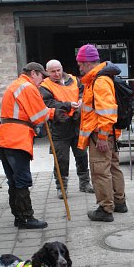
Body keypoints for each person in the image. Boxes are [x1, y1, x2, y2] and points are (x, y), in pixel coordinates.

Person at [0, 62, 65, 229]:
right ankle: (26, 218)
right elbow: (39, 116)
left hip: (5, 137)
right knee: (22, 180)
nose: (42, 81)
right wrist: (55, 112)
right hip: (16, 139)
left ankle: (19, 217)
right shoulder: (28, 87)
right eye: (41, 76)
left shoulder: (16, 85)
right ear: (33, 73)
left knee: (13, 180)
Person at [77, 44, 127, 222]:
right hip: (107, 132)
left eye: (81, 65)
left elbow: (107, 111)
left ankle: (105, 209)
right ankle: (119, 202)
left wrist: (103, 137)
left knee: (100, 171)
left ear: (88, 63)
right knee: (113, 166)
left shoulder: (99, 81)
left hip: (100, 134)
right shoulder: (103, 78)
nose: (80, 68)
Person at [40, 59, 94, 198]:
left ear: (62, 68)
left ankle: (85, 183)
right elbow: (47, 103)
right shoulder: (45, 86)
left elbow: (84, 92)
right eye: (53, 71)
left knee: (82, 156)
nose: (57, 73)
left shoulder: (74, 80)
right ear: (47, 71)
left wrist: (81, 100)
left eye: (58, 70)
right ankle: (61, 187)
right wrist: (68, 105)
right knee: (61, 160)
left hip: (77, 124)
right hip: (59, 127)